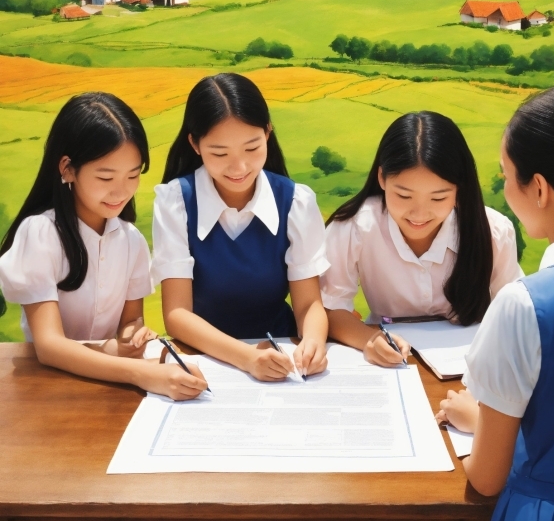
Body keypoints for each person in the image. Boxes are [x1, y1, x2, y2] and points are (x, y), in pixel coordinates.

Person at [436, 85, 554, 521]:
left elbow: (486, 477)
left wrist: (480, 419)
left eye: (506, 175)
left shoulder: (525, 304)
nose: (504, 190)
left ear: (540, 188)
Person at [0, 92, 206, 401]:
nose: (121, 191)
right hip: (46, 390)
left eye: (133, 175)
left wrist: (130, 339)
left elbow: (129, 324)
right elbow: (49, 346)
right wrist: (142, 373)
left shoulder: (132, 241)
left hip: (104, 389)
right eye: (105, 176)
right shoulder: (41, 233)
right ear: (67, 168)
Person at [152, 73, 329, 381]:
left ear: (268, 133)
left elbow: (308, 302)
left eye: (252, 148)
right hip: (204, 364)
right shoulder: (175, 202)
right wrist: (246, 358)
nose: (240, 167)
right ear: (194, 143)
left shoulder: (295, 202)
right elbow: (176, 315)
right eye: (220, 153)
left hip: (282, 358)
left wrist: (313, 342)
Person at [321, 112, 523, 366]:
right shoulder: (354, 227)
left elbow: (512, 313)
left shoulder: (493, 231)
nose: (419, 214)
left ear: (460, 188)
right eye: (404, 196)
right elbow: (329, 308)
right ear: (382, 178)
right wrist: (369, 340)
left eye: (438, 198)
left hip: (472, 367)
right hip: (388, 359)